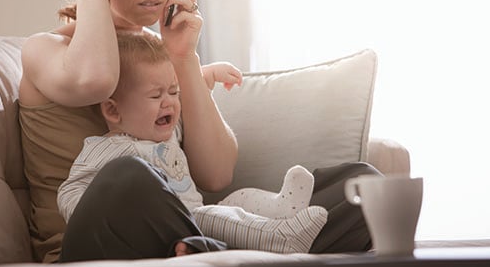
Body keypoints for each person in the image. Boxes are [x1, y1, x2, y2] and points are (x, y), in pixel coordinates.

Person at [18, 0, 380, 263]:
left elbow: (216, 175)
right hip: (89, 246)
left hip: (182, 227)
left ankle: (222, 255)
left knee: (361, 186)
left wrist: (183, 56)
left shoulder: (161, 54)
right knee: (127, 176)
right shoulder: (45, 50)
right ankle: (225, 253)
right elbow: (98, 80)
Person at [57, 33, 328, 255]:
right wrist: (94, 208)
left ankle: (283, 210)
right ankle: (280, 239)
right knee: (211, 216)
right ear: (114, 112)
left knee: (236, 200)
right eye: (156, 96)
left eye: (173, 92)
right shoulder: (109, 148)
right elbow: (70, 189)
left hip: (200, 217)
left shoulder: (170, 131)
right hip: (190, 219)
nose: (170, 102)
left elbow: (194, 97)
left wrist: (207, 76)